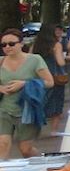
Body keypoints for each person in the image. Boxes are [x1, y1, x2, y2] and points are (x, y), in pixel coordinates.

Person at [0, 27, 54, 158]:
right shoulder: (1, 61)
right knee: (3, 144)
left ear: (21, 44)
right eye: (3, 45)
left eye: (11, 44)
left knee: (25, 149)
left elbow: (49, 82)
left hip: (27, 109)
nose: (7, 47)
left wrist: (24, 84)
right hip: (4, 109)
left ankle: (42, 163)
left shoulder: (35, 60)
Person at [31, 23, 70, 125]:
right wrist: (66, 58)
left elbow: (29, 59)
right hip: (54, 78)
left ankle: (38, 127)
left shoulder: (35, 45)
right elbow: (60, 62)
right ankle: (54, 131)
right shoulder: (56, 45)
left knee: (41, 103)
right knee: (56, 108)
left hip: (38, 77)